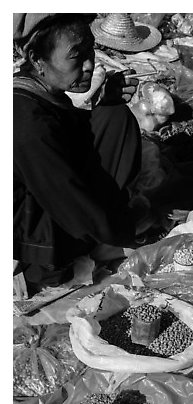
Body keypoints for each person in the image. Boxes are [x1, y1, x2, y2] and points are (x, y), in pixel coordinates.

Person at [13, 13, 147, 296]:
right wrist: (123, 235)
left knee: (113, 117)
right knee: (80, 222)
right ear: (38, 60)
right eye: (76, 57)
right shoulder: (27, 121)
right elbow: (64, 193)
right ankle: (44, 263)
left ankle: (97, 230)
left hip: (48, 197)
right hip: (27, 233)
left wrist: (106, 101)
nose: (89, 65)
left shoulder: (42, 91)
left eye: (90, 52)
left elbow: (73, 132)